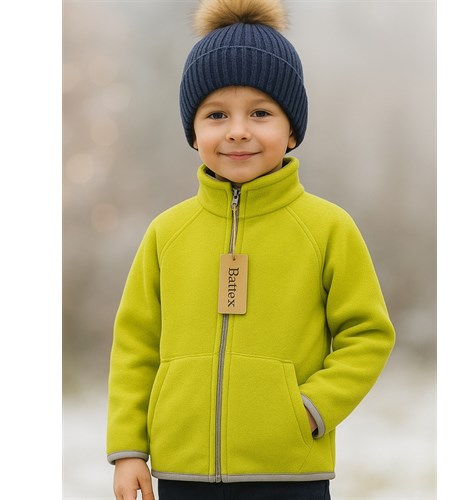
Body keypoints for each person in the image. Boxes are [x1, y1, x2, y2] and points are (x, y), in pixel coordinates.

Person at [107, 0, 396, 499]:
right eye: (216, 114)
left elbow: (368, 334)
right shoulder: (166, 233)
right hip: (181, 473)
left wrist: (311, 409)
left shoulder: (327, 228)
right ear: (193, 132)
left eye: (260, 113)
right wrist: (129, 449)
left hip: (288, 473)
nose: (237, 130)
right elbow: (135, 347)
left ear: (292, 129)